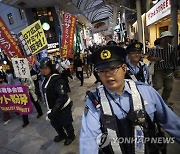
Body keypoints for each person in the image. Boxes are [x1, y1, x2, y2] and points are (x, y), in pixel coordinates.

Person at [80, 45, 180, 154]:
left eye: (113, 69)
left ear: (124, 68)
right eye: (102, 71)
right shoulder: (94, 101)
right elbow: (89, 140)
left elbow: (172, 123)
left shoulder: (147, 92)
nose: (108, 75)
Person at [39, 57, 75, 145]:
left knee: (66, 124)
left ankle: (71, 136)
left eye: (45, 68)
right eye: (41, 68)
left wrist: (54, 111)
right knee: (55, 124)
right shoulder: (46, 78)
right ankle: (62, 135)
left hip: (63, 108)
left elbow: (62, 97)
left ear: (51, 68)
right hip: (52, 108)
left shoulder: (58, 80)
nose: (43, 70)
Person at [148, 31, 178, 105]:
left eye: (169, 38)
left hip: (168, 70)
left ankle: (164, 101)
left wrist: (175, 70)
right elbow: (149, 57)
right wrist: (154, 58)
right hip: (158, 70)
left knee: (169, 87)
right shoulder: (154, 49)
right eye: (165, 38)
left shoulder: (171, 48)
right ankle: (152, 98)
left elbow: (174, 60)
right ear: (161, 39)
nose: (167, 40)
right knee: (157, 86)